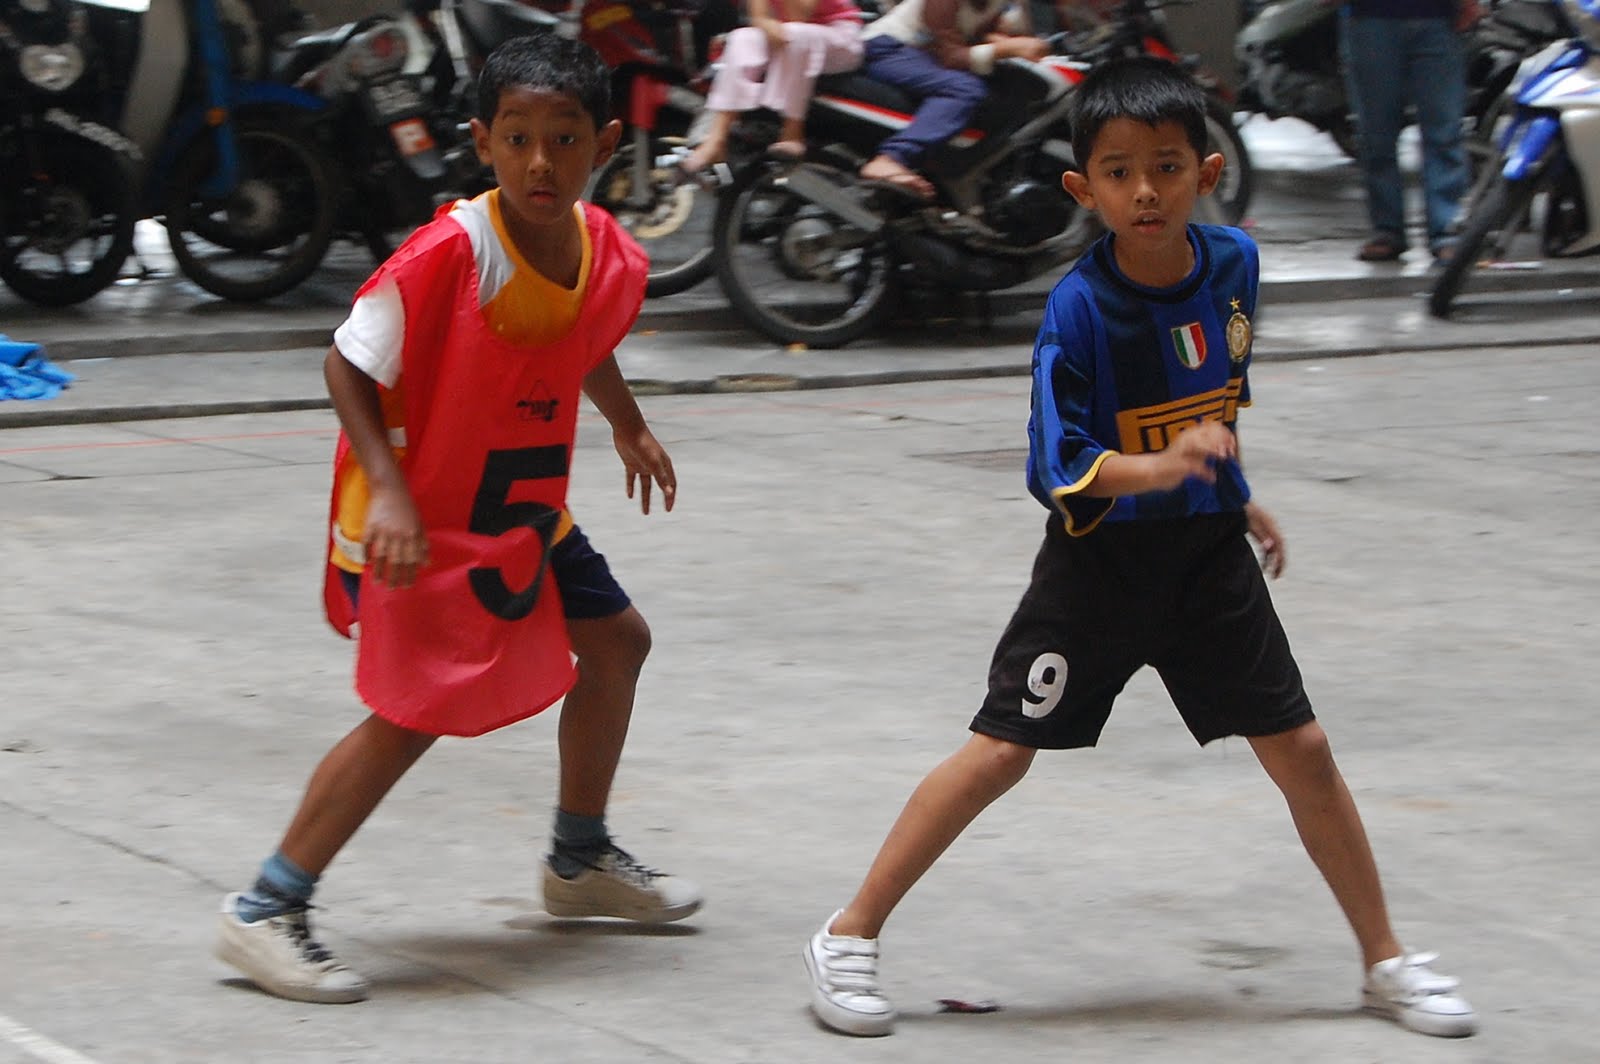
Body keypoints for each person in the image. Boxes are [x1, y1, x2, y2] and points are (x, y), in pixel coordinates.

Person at [801, 55, 1478, 1041]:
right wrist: (1162, 467)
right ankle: (846, 932)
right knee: (999, 751)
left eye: (1166, 165)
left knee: (1304, 749)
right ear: (1085, 189)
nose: (1146, 190)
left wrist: (1234, 494)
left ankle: (1385, 959)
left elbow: (1221, 399)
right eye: (1119, 171)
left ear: (1208, 169)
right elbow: (1056, 465)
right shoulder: (1077, 310)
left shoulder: (1236, 266)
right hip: (1097, 568)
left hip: (1205, 557)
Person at [213, 33, 701, 1005]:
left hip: (521, 512)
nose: (538, 161)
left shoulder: (594, 246)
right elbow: (347, 364)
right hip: (421, 520)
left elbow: (578, 333)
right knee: (410, 714)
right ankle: (265, 907)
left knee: (617, 644)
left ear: (601, 143)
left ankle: (576, 859)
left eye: (562, 140)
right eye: (517, 137)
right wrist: (390, 490)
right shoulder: (450, 250)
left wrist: (628, 423)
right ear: (482, 140)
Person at [855, 0, 1050, 199]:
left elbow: (975, 33)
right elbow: (950, 56)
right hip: (888, 47)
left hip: (923, 53)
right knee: (965, 90)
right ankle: (891, 159)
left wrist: (1002, 40)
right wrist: (1006, 48)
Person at [1341, 0, 1483, 262]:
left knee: (1444, 132)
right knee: (1376, 135)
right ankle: (1387, 230)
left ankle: (1447, 230)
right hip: (1371, 18)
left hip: (1439, 18)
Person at [677, 0, 865, 179]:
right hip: (796, 35)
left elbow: (798, 17)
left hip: (841, 38)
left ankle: (792, 132)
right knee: (742, 38)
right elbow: (760, 18)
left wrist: (775, 28)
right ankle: (716, 139)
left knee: (794, 34)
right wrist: (768, 27)